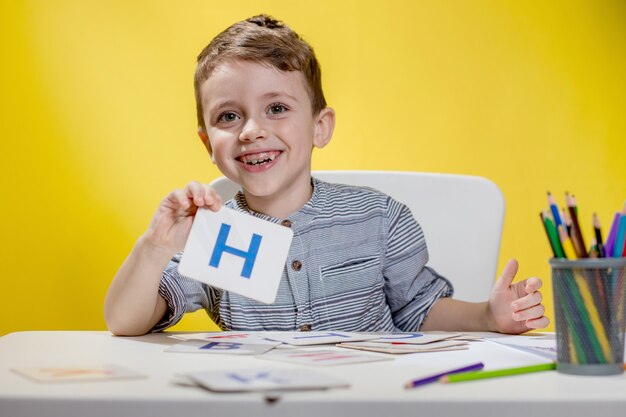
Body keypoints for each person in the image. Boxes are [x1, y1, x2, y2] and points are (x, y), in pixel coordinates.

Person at [104, 14, 549, 336]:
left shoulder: (379, 218)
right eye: (229, 116)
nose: (253, 131)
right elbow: (125, 322)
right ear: (208, 144)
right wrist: (154, 247)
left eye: (276, 108)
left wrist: (488, 317)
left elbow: (421, 309)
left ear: (320, 126)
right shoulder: (213, 233)